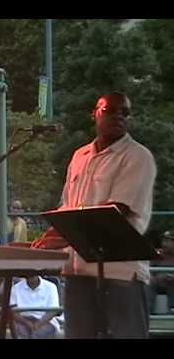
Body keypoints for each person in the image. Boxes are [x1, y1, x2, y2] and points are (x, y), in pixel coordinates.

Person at [31, 92, 157, 338]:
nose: (118, 116)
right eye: (110, 110)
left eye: (125, 112)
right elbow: (68, 206)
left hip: (119, 273)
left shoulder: (138, 156)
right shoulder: (79, 156)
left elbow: (114, 212)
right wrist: (42, 241)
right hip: (78, 271)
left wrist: (64, 235)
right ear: (94, 114)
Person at [149, 231, 174, 312]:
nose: (164, 244)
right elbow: (147, 269)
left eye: (167, 241)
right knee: (149, 283)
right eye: (163, 241)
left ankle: (172, 310)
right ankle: (148, 310)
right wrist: (153, 278)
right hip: (157, 282)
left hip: (171, 284)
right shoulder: (157, 253)